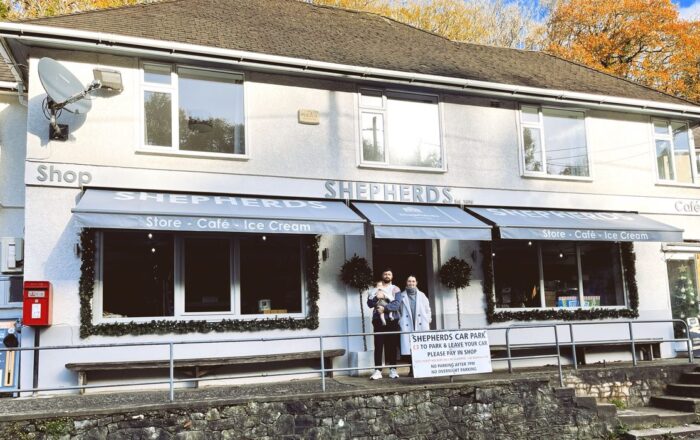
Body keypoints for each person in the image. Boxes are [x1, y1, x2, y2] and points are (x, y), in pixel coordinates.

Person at [386, 275, 431, 377]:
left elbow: (428, 309)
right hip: (407, 325)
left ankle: (421, 369)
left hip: (420, 324)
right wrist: (400, 322)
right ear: (406, 283)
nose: (411, 283)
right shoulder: (402, 296)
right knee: (411, 348)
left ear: (416, 283)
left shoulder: (422, 295)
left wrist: (428, 320)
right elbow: (398, 311)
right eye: (409, 281)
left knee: (420, 347)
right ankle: (412, 369)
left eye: (413, 281)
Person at [366, 269, 401, 380]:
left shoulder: (395, 289)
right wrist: (377, 297)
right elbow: (370, 304)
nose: (387, 275)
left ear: (392, 276)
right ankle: (377, 370)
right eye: (385, 274)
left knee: (392, 345)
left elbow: (397, 304)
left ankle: (393, 369)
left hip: (392, 320)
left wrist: (384, 309)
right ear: (382, 275)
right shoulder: (374, 289)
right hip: (378, 320)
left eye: (389, 274)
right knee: (378, 344)